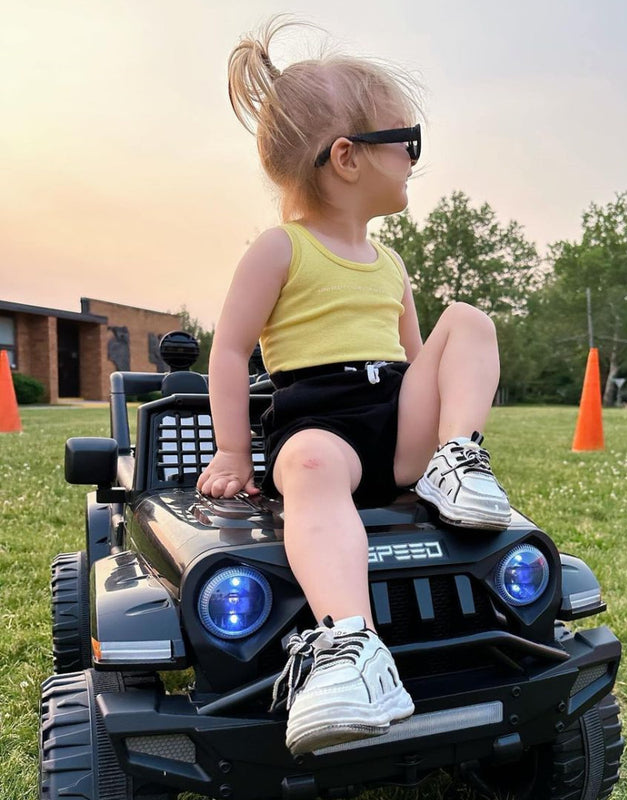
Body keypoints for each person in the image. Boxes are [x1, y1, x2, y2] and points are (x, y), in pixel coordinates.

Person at [196, 15, 511, 756]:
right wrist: (235, 454)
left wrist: (437, 425)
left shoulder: (393, 264)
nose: (411, 157)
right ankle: (350, 646)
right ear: (346, 158)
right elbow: (231, 351)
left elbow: (415, 355)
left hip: (395, 418)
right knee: (307, 466)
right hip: (319, 421)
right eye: (406, 142)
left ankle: (457, 461)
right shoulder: (281, 249)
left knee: (465, 320)